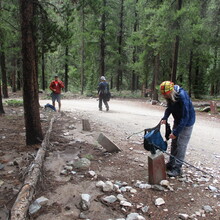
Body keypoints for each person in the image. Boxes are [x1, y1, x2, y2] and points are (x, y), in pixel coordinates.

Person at [160, 81, 195, 177]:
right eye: (164, 95)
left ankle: (177, 168)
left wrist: (175, 132)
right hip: (178, 120)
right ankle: (171, 164)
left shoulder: (182, 97)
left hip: (187, 122)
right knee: (174, 143)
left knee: (181, 145)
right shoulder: (170, 95)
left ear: (171, 91)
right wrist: (165, 117)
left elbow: (185, 117)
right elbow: (169, 108)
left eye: (166, 95)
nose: (165, 97)